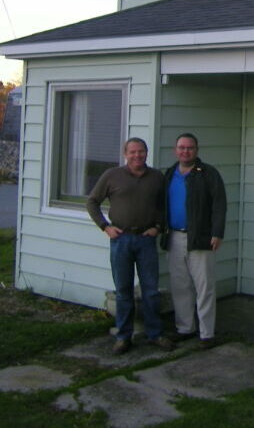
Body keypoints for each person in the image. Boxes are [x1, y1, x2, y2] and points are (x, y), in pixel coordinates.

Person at [86, 137, 173, 354]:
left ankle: (155, 334)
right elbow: (92, 202)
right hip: (120, 240)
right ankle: (124, 336)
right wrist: (105, 227)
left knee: (151, 291)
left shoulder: (156, 177)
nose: (137, 155)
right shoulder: (112, 175)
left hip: (146, 240)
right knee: (123, 291)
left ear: (146, 153)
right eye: (133, 152)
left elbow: (164, 206)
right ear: (125, 154)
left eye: (141, 151)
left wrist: (158, 227)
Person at [161, 132, 227, 349]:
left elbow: (219, 204)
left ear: (196, 150)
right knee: (180, 285)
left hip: (201, 238)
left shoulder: (208, 174)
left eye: (189, 148)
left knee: (204, 286)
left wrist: (217, 233)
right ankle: (185, 328)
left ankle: (207, 334)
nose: (185, 151)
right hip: (174, 236)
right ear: (175, 150)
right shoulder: (170, 174)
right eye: (181, 147)